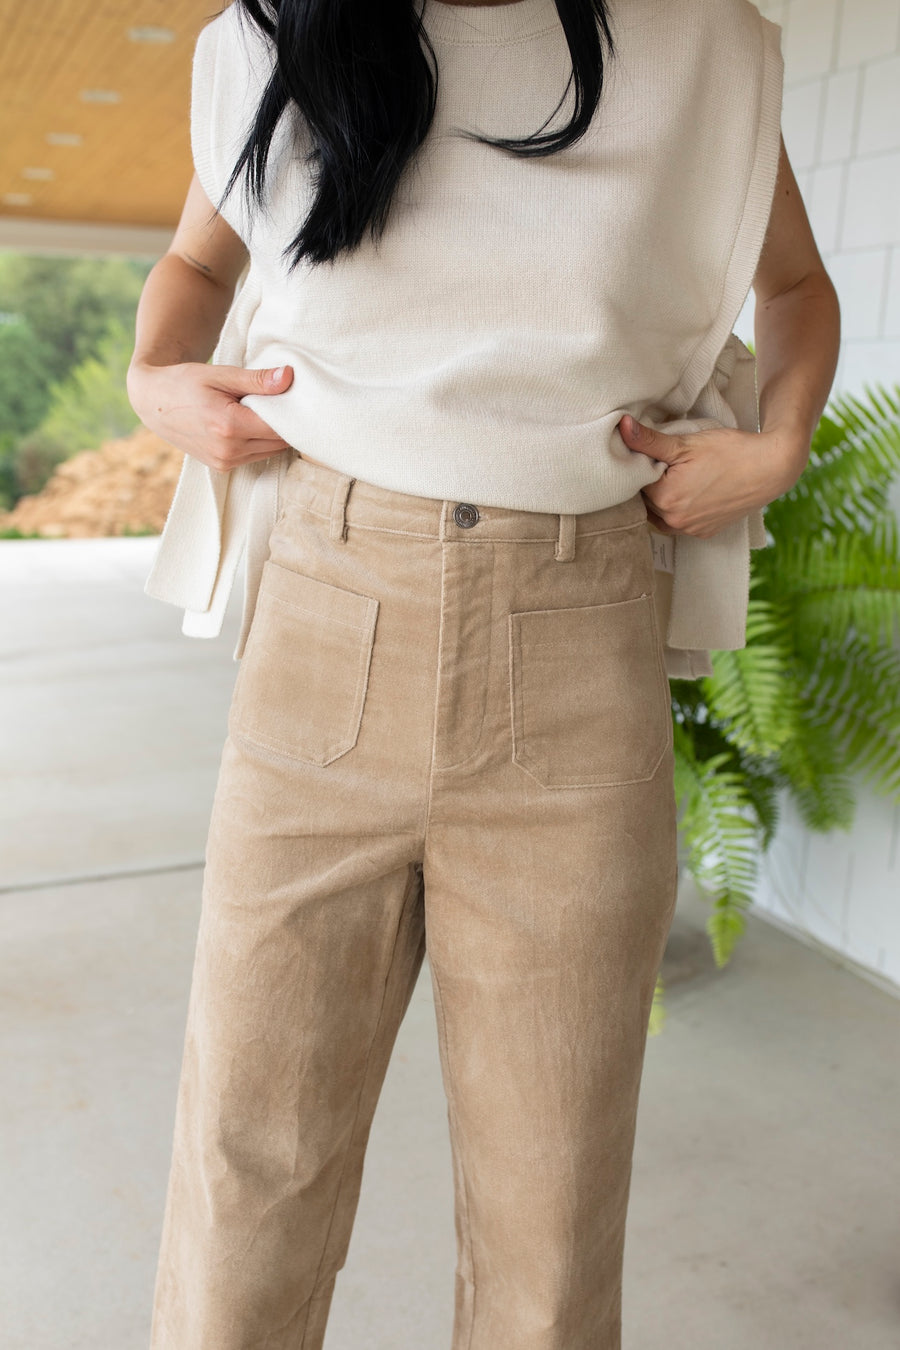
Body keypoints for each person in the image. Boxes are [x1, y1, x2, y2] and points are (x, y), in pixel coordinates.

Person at [127, 0, 840, 1346]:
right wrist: (155, 373)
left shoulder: (696, 44)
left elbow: (793, 284)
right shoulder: (286, 34)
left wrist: (780, 441)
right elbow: (191, 258)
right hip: (323, 630)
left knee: (550, 1226)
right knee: (246, 1175)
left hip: (576, 647)